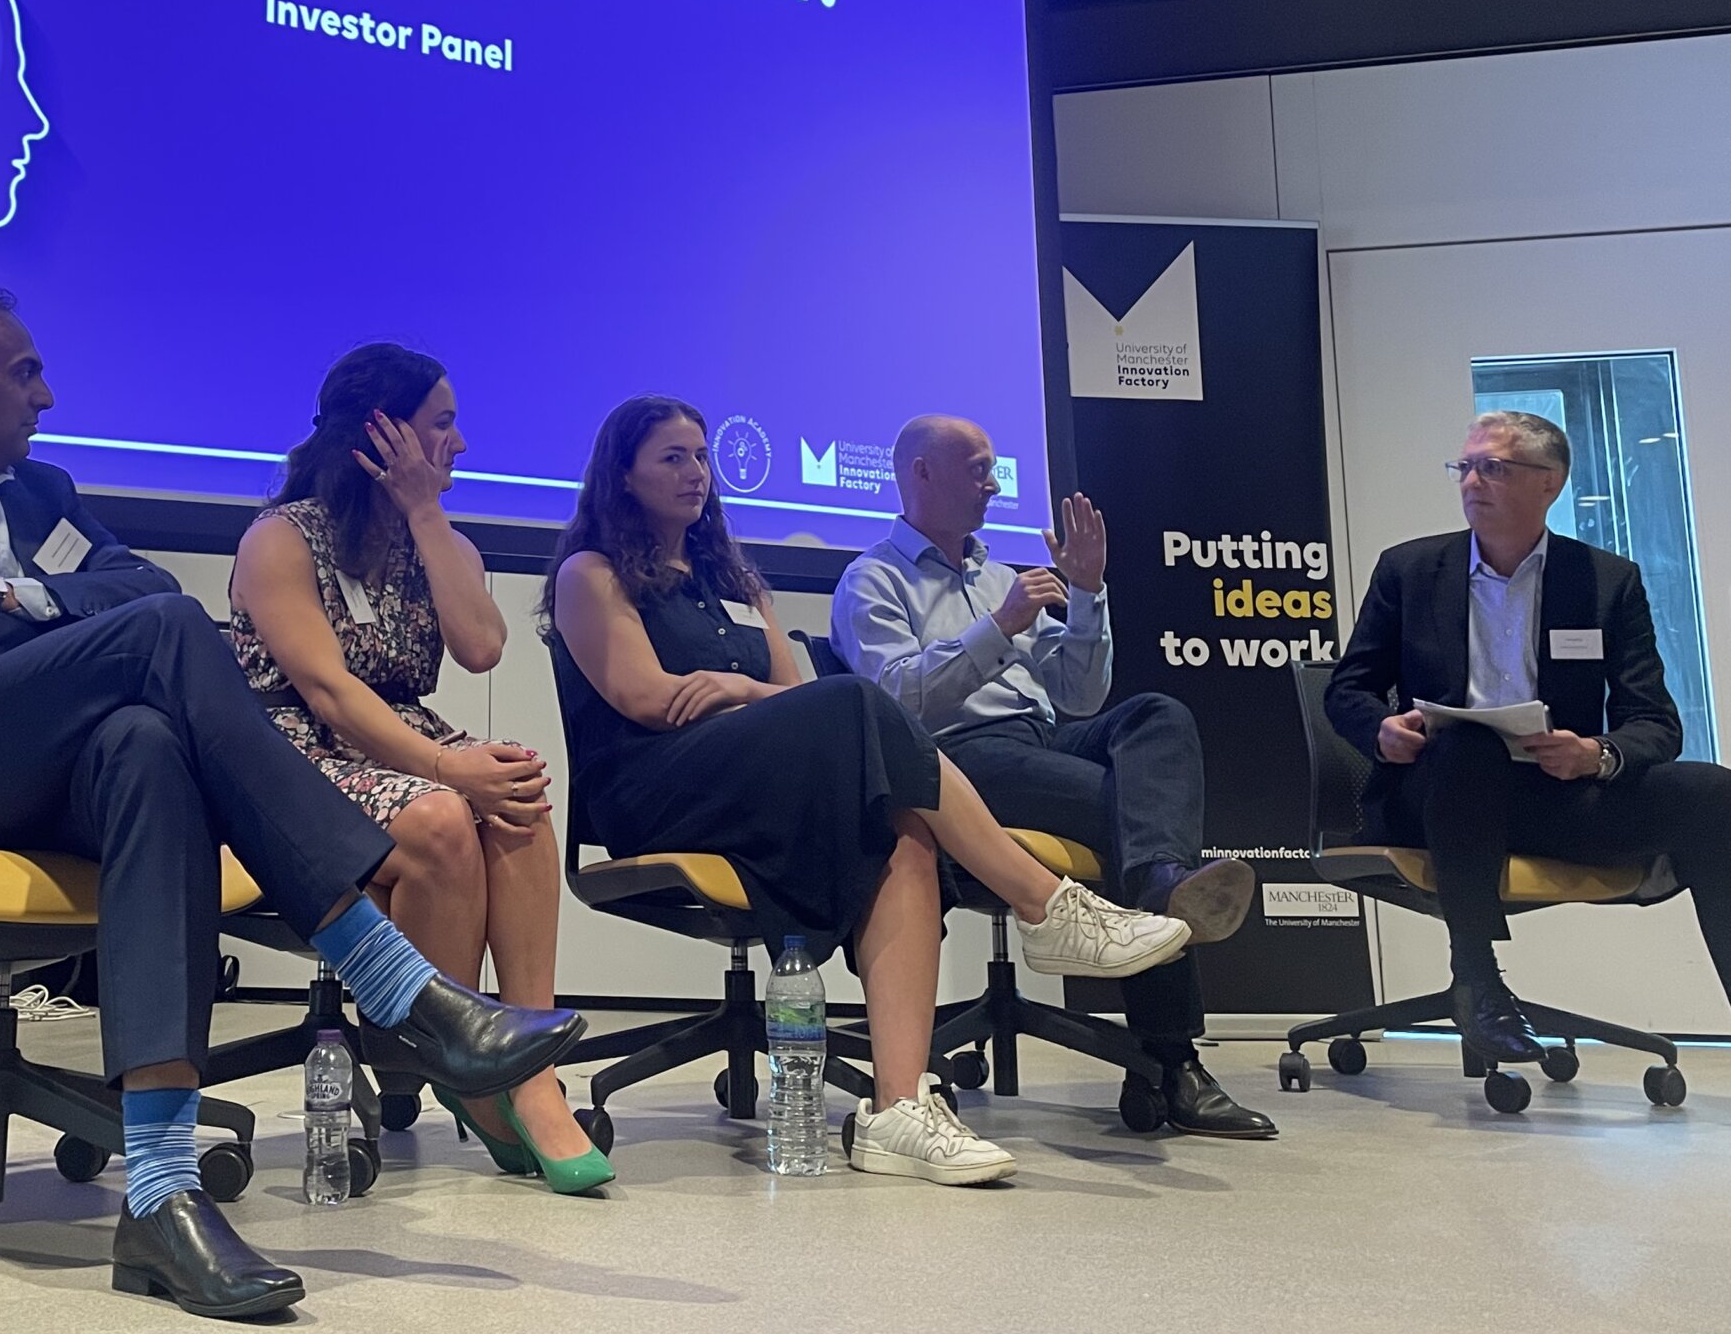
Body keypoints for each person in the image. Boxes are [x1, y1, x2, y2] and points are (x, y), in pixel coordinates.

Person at [0, 287, 585, 1316]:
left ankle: (160, 1199)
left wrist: (13, 596)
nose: (45, 397)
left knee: (145, 742)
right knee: (174, 632)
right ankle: (391, 976)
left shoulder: (38, 495)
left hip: (46, 774)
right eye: (24, 374)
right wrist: (45, 626)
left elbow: (129, 583)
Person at [544, 395, 1194, 1188]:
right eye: (671, 458)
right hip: (657, 789)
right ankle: (1045, 906)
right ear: (623, 474)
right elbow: (648, 698)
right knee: (860, 699)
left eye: (702, 456)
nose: (696, 474)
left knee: (902, 832)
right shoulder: (592, 572)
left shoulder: (736, 580)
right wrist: (747, 693)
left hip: (749, 779)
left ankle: (897, 1107)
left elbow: (781, 688)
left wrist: (735, 689)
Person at [1325, 409, 1731, 1143]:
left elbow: (1655, 724)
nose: (1472, 481)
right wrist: (1379, 731)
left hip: (1551, 796)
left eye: (1493, 467)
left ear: (1548, 484)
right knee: (1471, 746)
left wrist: (1597, 754)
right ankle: (1476, 978)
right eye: (1465, 467)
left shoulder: (1605, 582)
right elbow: (1347, 690)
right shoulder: (1412, 569)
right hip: (1437, 794)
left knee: (1712, 791)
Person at [231, 345, 611, 1194]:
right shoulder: (279, 538)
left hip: (406, 735)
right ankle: (467, 1062)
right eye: (443, 424)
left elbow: (480, 648)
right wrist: (448, 767)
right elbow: (327, 694)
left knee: (513, 792)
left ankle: (525, 1066)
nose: (461, 445)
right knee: (444, 813)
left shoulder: (437, 541)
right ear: (383, 432)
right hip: (295, 754)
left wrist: (425, 514)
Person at [832, 414, 1275, 1140]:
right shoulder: (872, 579)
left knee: (1156, 715)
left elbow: (1080, 694)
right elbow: (891, 702)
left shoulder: (999, 573)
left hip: (1045, 738)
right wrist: (997, 628)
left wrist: (1090, 592)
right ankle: (1173, 1062)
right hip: (955, 762)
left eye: (994, 468)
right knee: (1125, 811)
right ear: (921, 474)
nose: (994, 484)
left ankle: (1162, 880)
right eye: (977, 469)